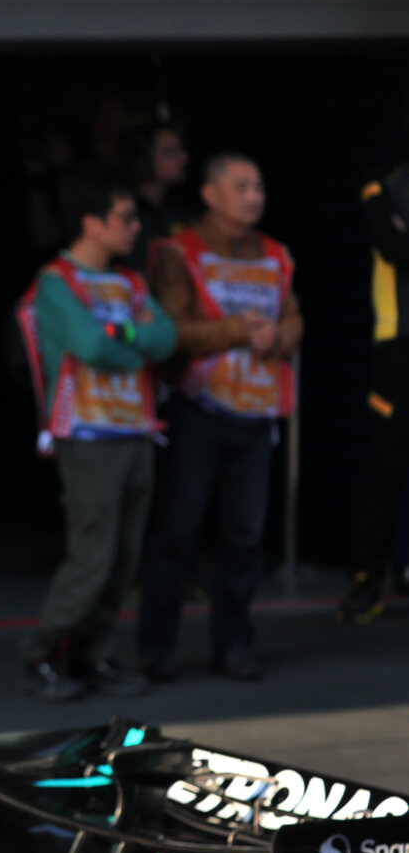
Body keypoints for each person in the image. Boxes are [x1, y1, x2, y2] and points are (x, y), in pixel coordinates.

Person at [138, 153, 302, 682]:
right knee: (177, 534)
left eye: (259, 186)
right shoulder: (179, 252)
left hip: (256, 415)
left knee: (245, 539)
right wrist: (236, 331)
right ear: (210, 195)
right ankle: (156, 649)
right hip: (198, 411)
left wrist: (280, 335)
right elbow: (169, 331)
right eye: (242, 187)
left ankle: (234, 645)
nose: (255, 197)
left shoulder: (275, 253)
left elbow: (294, 318)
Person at [16, 172, 176, 701]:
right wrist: (135, 342)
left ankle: (93, 653)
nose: (136, 227)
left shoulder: (130, 282)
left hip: (136, 431)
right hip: (86, 435)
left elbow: (166, 337)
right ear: (92, 222)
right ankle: (43, 653)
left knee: (124, 559)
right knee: (93, 556)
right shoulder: (57, 282)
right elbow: (92, 348)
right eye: (125, 218)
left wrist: (125, 333)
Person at [339, 164, 409, 622]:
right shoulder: (382, 188)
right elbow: (395, 246)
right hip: (398, 346)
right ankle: (366, 578)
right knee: (385, 465)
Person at [124, 120, 192, 269]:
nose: (184, 158)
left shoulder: (181, 209)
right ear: (144, 159)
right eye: (170, 152)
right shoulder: (124, 210)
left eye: (181, 150)